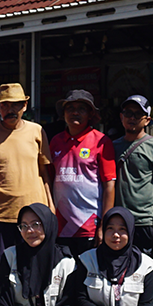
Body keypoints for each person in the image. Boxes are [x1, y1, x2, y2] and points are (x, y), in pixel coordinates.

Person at [0, 83, 54, 274]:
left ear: (24, 106)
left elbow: (44, 171)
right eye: (5, 105)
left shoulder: (37, 131)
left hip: (33, 215)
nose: (11, 110)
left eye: (16, 105)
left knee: (32, 270)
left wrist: (51, 205)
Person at [48, 89, 116, 254]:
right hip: (60, 225)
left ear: (90, 114)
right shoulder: (55, 142)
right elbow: (48, 181)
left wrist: (104, 226)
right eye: (70, 108)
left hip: (89, 226)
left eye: (82, 109)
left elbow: (109, 187)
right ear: (63, 114)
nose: (75, 113)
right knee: (62, 276)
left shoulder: (101, 141)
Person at [112, 95, 153, 252]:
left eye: (138, 114)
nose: (132, 117)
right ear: (121, 116)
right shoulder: (111, 146)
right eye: (128, 113)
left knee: (145, 273)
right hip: (117, 221)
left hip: (144, 222)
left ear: (147, 120)